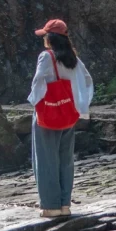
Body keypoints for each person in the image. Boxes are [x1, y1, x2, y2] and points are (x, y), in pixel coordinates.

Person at [26, 18, 94, 218]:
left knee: (46, 160)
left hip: (48, 114)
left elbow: (38, 82)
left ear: (49, 38)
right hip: (68, 114)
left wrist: (34, 102)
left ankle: (50, 206)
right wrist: (81, 106)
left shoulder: (46, 57)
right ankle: (65, 204)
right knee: (65, 160)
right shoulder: (73, 59)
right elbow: (87, 81)